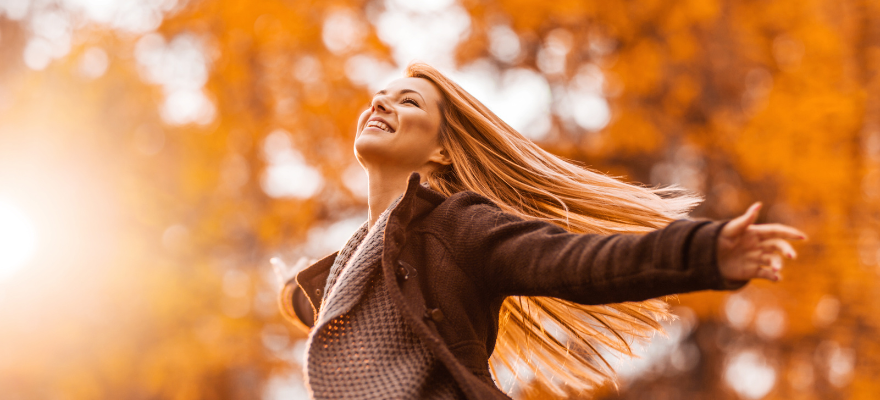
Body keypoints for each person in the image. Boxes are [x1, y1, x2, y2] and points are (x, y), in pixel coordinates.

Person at [274, 62, 806, 399]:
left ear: (440, 150)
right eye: (380, 95)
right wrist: (291, 292)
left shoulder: (456, 227)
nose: (380, 102)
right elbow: (335, 313)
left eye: (408, 100)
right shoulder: (353, 262)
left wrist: (705, 252)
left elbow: (577, 263)